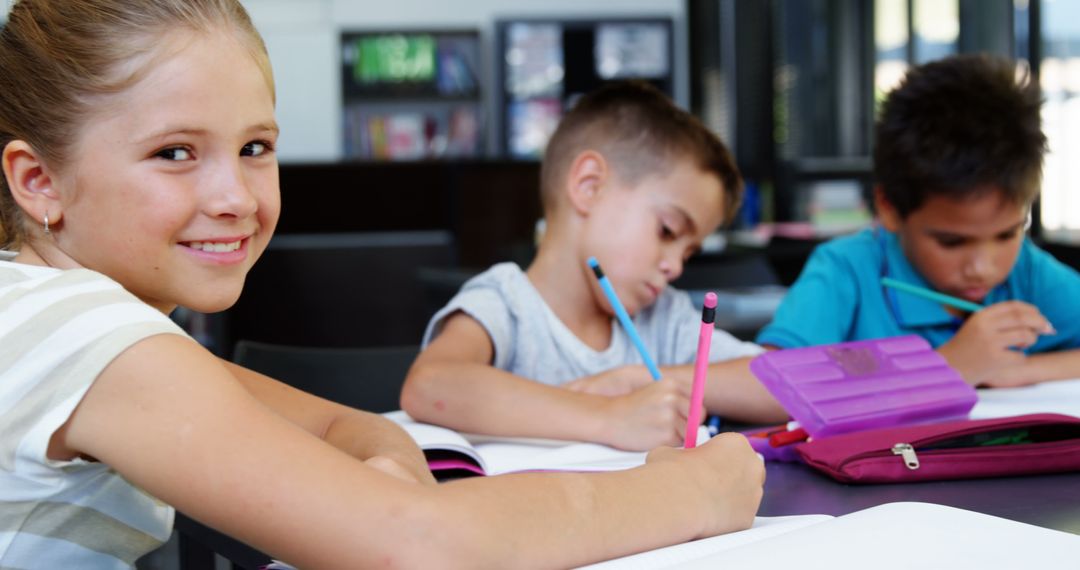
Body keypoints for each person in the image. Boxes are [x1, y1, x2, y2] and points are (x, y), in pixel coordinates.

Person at [0, 1, 766, 567]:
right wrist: (690, 495)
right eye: (174, 153)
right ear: (39, 181)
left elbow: (355, 430)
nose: (236, 195)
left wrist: (386, 481)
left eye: (256, 146)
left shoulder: (83, 325)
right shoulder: (84, 333)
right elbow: (415, 545)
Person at [402, 81, 787, 452]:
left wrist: (639, 380)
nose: (674, 267)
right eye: (668, 231)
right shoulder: (506, 304)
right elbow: (431, 386)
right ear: (589, 186)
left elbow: (788, 385)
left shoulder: (664, 319)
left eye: (688, 253)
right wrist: (609, 416)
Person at [756, 53, 1080, 388]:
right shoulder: (848, 269)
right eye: (952, 242)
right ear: (890, 209)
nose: (982, 267)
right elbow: (773, 384)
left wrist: (1019, 371)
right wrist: (946, 367)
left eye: (1008, 234)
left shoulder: (1026, 270)